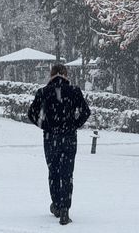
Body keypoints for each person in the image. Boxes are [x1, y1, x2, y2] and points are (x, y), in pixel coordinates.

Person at [27, 64, 91, 225]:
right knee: (67, 174)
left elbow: (31, 113)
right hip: (69, 138)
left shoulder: (43, 92)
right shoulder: (74, 91)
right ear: (65, 74)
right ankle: (65, 209)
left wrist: (45, 126)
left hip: (50, 138)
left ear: (52, 75)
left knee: (53, 172)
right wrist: (74, 124)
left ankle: (56, 205)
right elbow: (86, 112)